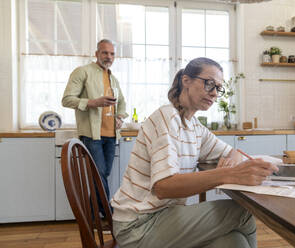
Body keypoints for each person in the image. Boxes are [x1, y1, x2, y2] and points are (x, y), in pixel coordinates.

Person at [111, 57, 278, 248]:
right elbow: (164, 187)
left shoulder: (194, 127)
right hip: (138, 225)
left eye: (218, 88)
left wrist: (230, 164)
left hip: (165, 216)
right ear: (186, 81)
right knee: (242, 213)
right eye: (209, 84)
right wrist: (227, 174)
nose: (214, 93)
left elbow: (234, 151)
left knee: (233, 242)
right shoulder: (167, 118)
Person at [62, 39, 128, 217]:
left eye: (112, 53)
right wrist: (93, 102)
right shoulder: (82, 72)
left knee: (101, 175)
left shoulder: (112, 78)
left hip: (111, 135)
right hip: (92, 135)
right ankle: (109, 214)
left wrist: (120, 118)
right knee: (98, 175)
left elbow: (121, 104)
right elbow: (67, 99)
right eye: (105, 53)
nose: (109, 57)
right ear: (96, 53)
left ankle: (91, 214)